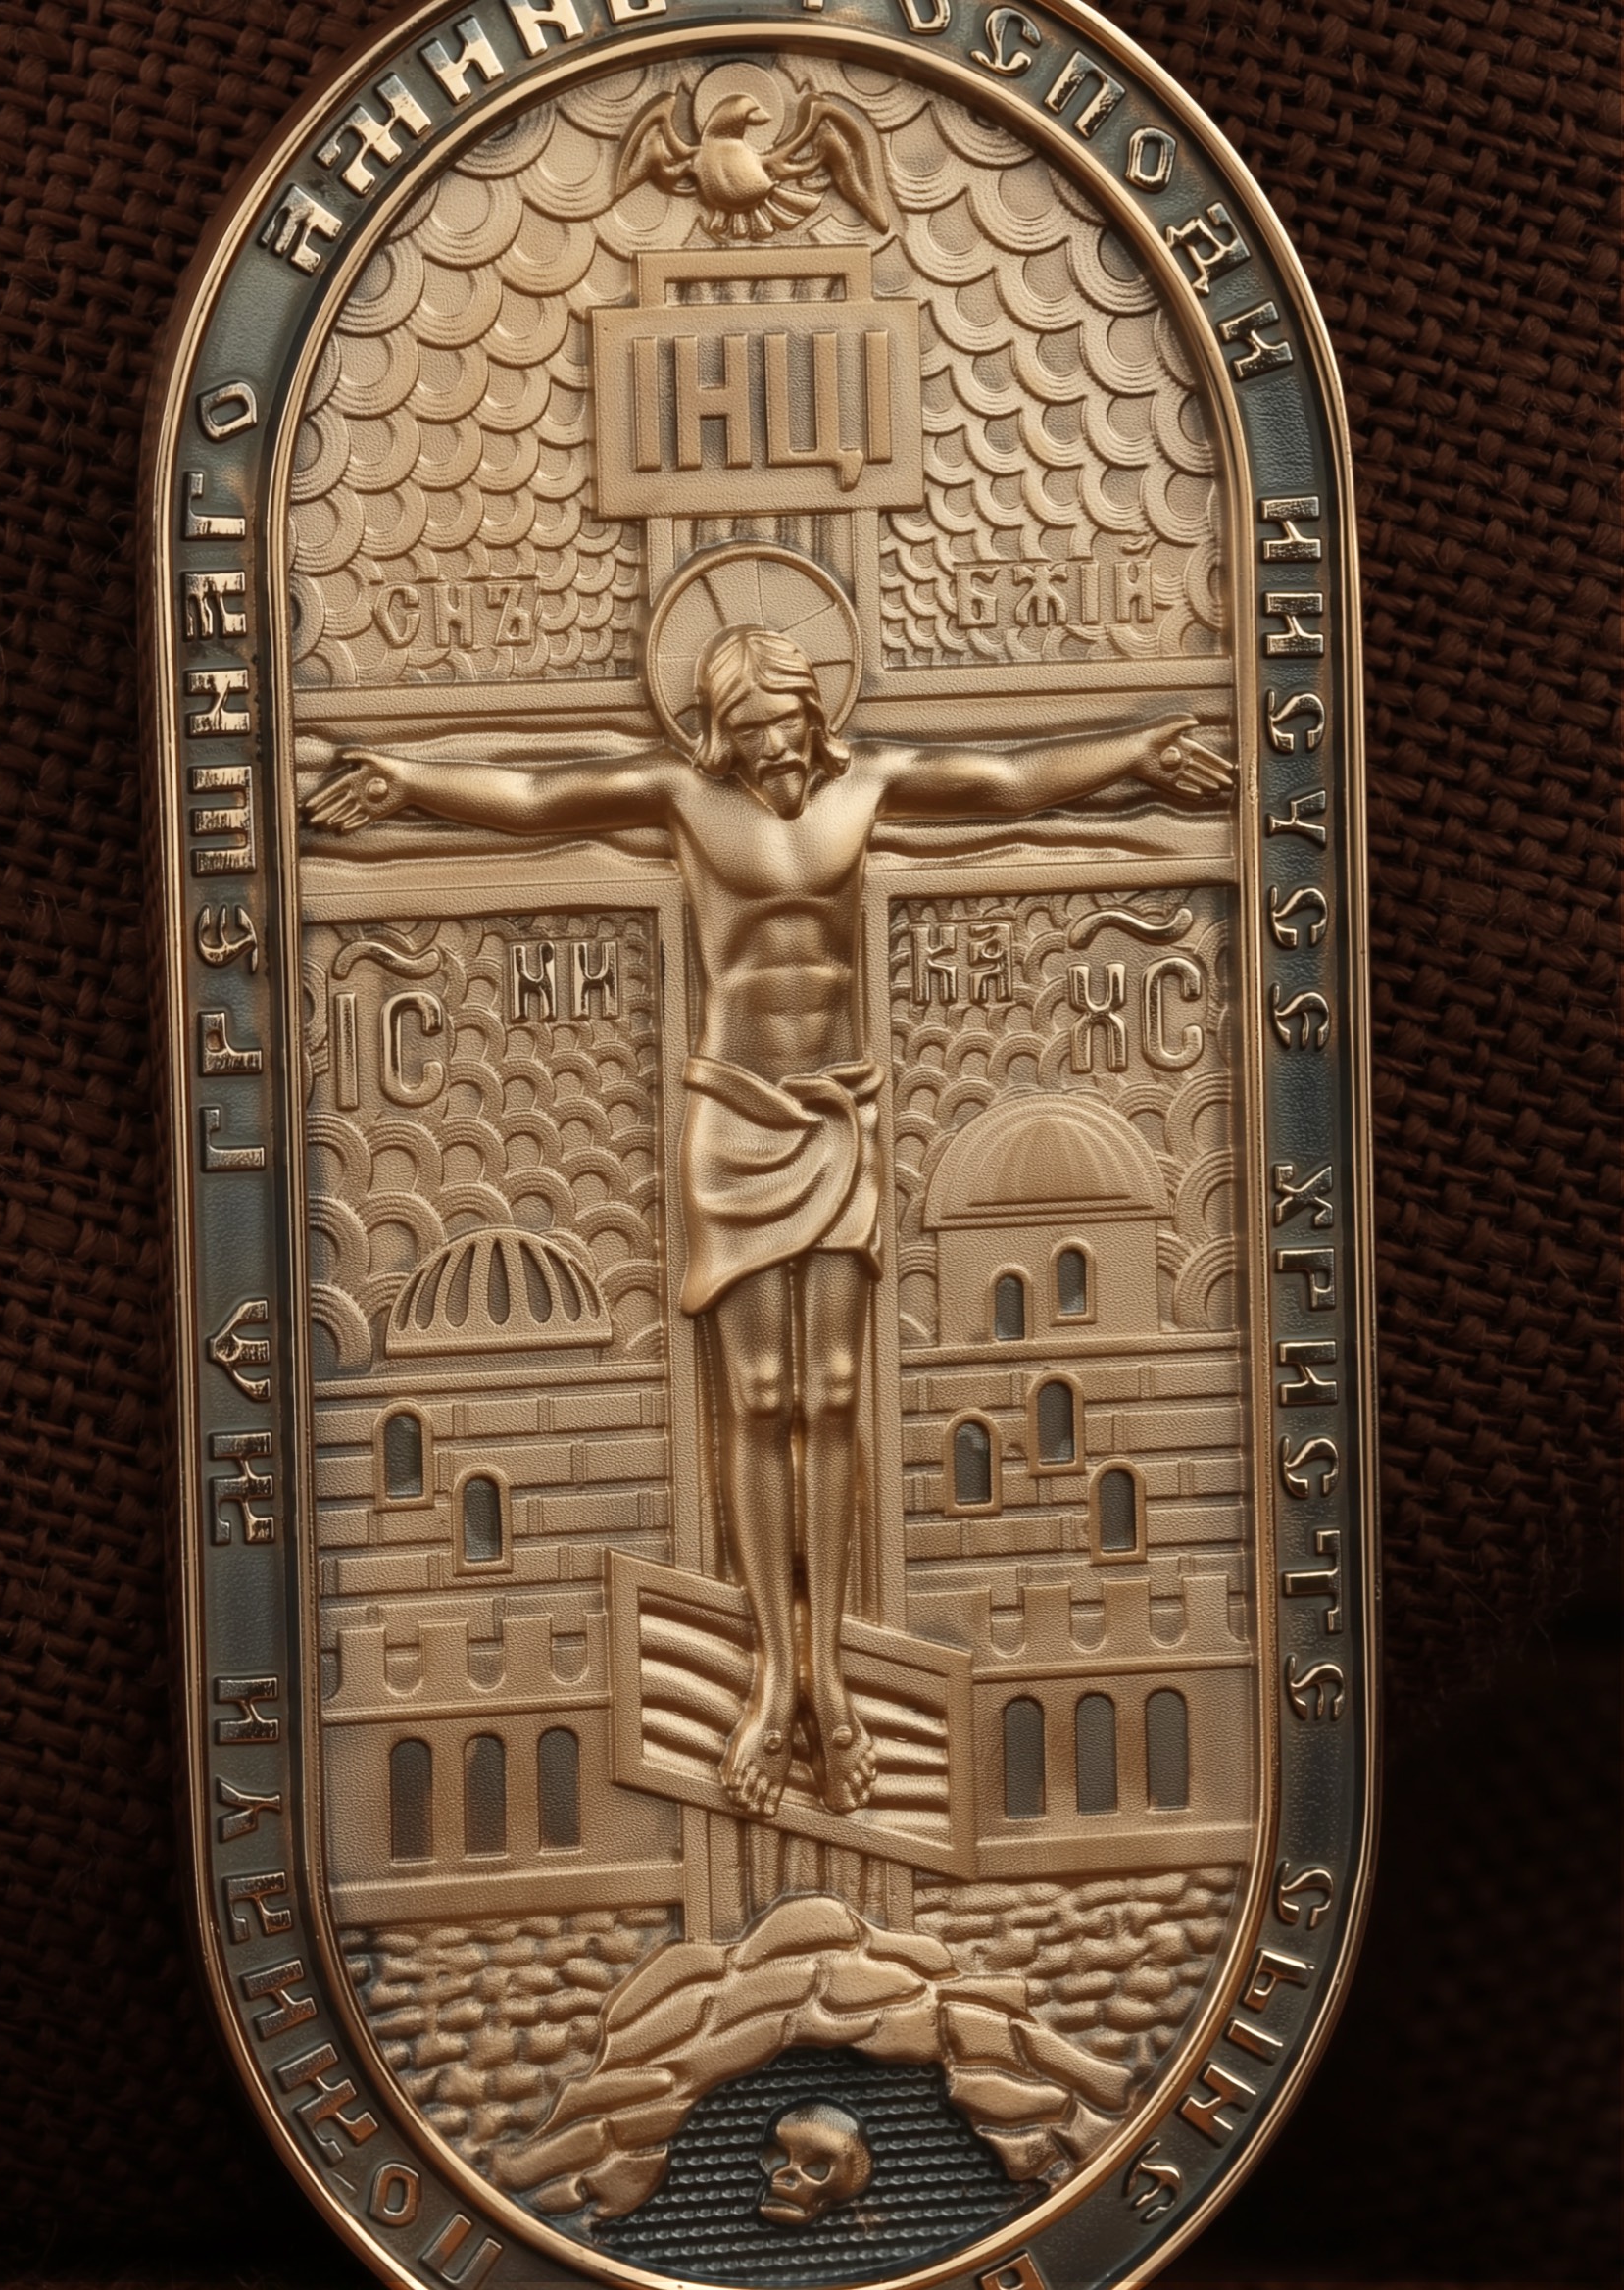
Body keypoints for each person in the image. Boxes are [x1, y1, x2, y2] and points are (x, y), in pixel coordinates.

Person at [305, 622, 1225, 1820]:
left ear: (812, 710)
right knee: (759, 1394)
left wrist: (1138, 752)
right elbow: (536, 797)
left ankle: (828, 1673)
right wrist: (407, 777)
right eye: (747, 735)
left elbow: (1008, 777)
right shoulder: (686, 798)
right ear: (717, 735)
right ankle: (775, 1677)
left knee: (833, 1389)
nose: (772, 752)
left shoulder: (869, 785)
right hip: (734, 1121)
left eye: (784, 727)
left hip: (838, 1116)